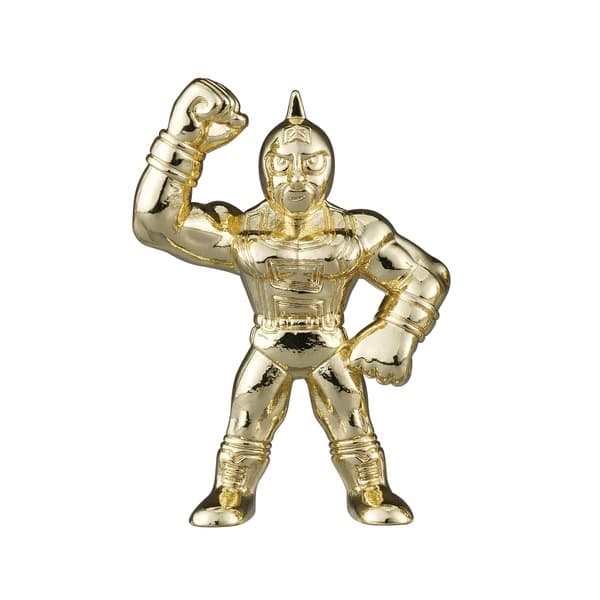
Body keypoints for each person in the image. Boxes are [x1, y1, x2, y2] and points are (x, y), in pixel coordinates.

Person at [133, 79, 450, 526]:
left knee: (352, 423)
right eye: (282, 164)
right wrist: (184, 140)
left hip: (331, 346)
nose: (297, 176)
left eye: (311, 163)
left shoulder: (357, 231)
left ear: (329, 168)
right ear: (266, 170)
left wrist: (398, 330)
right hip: (269, 344)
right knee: (247, 422)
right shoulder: (242, 230)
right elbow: (156, 225)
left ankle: (369, 489)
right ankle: (231, 491)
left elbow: (424, 274)